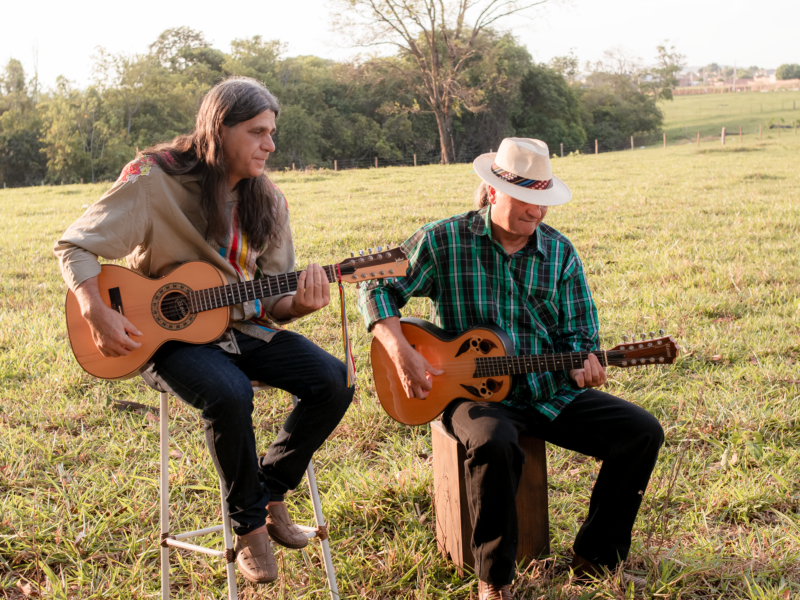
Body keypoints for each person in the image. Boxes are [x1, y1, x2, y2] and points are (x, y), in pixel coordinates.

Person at [54, 77, 353, 585]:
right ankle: (249, 527)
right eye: (258, 132)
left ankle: (272, 487)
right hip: (161, 338)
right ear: (220, 129)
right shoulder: (154, 180)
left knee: (334, 380)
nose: (270, 145)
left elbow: (275, 301)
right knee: (228, 391)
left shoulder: (269, 201)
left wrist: (301, 305)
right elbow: (75, 246)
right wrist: (95, 310)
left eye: (272, 132)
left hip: (244, 331)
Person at [358, 138, 664, 599]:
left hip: (546, 390)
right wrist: (400, 347)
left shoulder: (560, 253)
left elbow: (580, 336)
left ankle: (595, 556)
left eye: (544, 202)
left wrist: (587, 362)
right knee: (494, 441)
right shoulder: (444, 239)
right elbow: (377, 283)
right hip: (469, 394)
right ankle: (495, 579)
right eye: (528, 200)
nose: (537, 212)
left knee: (641, 432)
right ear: (493, 190)